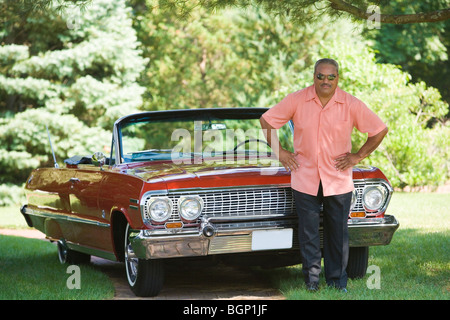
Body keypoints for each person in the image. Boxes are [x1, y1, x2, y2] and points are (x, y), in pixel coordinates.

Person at [260, 58, 388, 292]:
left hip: (338, 179)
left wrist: (357, 157)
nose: (325, 80)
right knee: (308, 233)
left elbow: (379, 130)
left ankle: (338, 282)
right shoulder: (297, 99)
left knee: (338, 233)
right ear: (314, 77)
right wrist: (281, 153)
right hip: (304, 176)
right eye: (321, 76)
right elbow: (267, 121)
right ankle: (311, 282)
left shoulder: (350, 104)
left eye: (331, 76)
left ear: (338, 78)